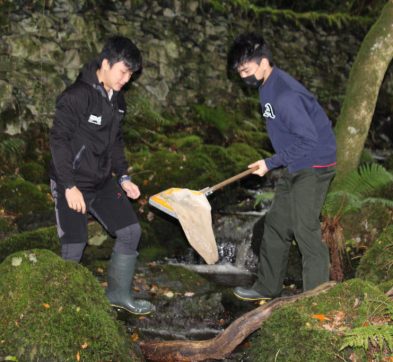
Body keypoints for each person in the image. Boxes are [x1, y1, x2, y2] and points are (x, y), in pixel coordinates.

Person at [49, 36, 155, 315]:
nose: (126, 79)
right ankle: (62, 310)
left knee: (131, 232)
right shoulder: (76, 96)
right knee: (74, 247)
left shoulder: (118, 101)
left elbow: (115, 143)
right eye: (123, 71)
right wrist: (69, 186)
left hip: (102, 179)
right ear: (105, 63)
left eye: (131, 74)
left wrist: (123, 177)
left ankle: (118, 295)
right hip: (71, 180)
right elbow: (58, 142)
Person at [227, 33, 337, 301]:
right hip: (296, 162)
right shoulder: (266, 86)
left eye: (246, 69)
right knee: (276, 224)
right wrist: (274, 161)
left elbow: (309, 140)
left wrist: (270, 162)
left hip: (314, 164)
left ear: (263, 62)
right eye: (240, 72)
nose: (243, 77)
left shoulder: (285, 94)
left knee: (305, 228)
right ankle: (267, 287)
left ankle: (316, 299)